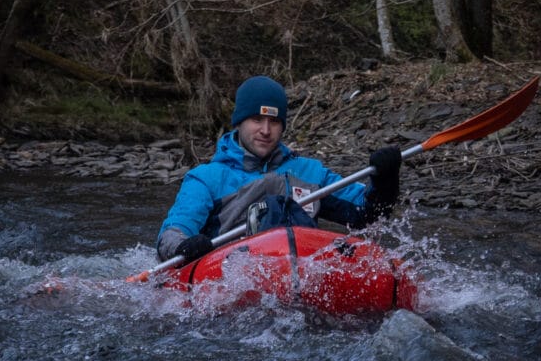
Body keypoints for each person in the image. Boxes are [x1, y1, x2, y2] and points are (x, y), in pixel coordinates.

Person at [156, 75, 402, 263]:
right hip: (232, 269)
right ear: (239, 122)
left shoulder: (309, 172)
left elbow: (366, 214)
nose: (265, 130)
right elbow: (174, 231)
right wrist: (183, 247)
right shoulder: (206, 178)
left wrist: (386, 180)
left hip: (300, 265)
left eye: (274, 122)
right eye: (256, 120)